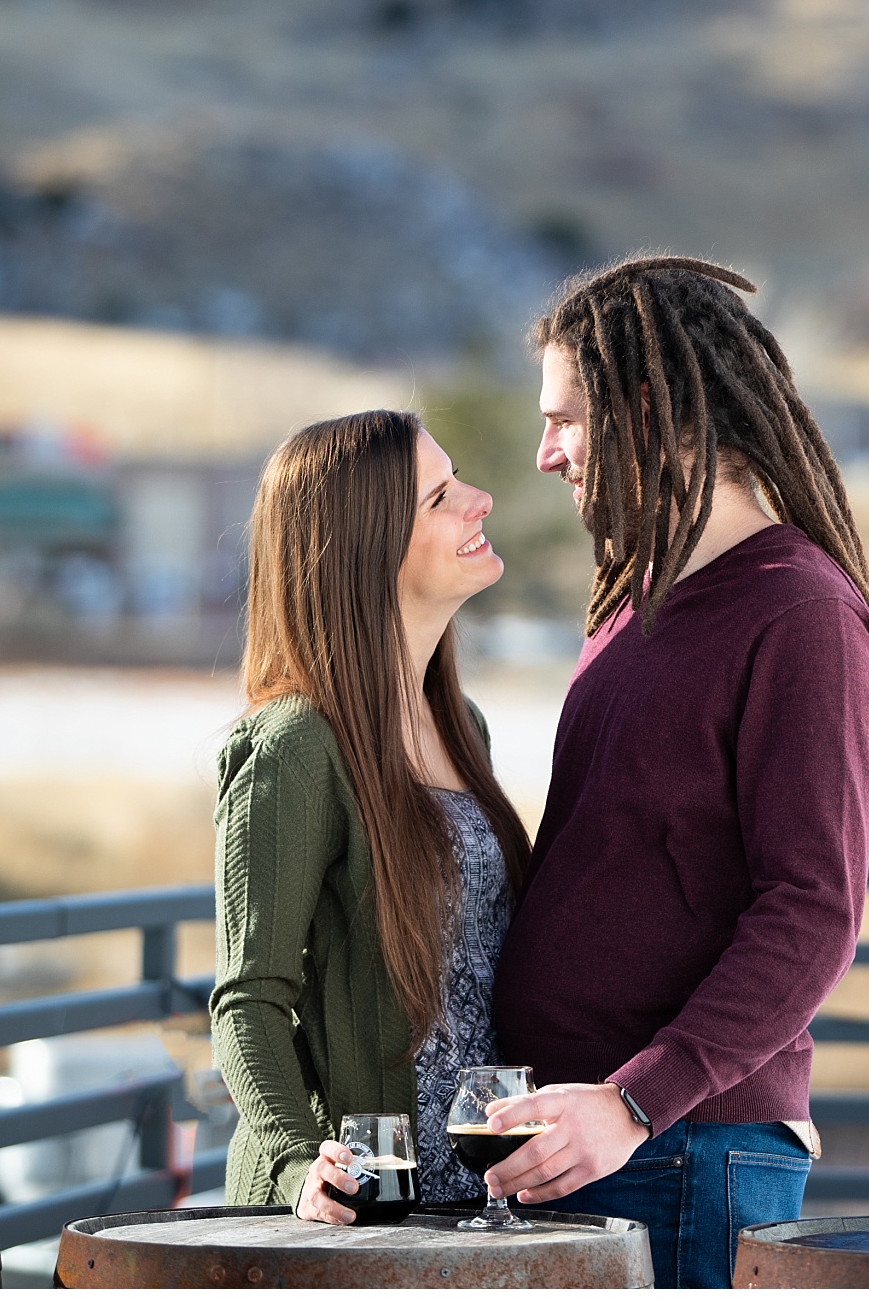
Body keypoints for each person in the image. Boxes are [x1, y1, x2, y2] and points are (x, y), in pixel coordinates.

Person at [487, 256, 869, 1288]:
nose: (546, 453)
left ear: (655, 409)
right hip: (590, 1149)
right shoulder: (639, 600)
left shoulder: (799, 613)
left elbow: (812, 907)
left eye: (568, 419)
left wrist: (634, 1102)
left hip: (677, 1158)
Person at [211, 410, 532, 1219]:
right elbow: (248, 999)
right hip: (357, 1208)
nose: (480, 500)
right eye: (439, 498)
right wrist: (296, 1167)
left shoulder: (465, 723)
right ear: (367, 547)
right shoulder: (293, 746)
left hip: (473, 1194)